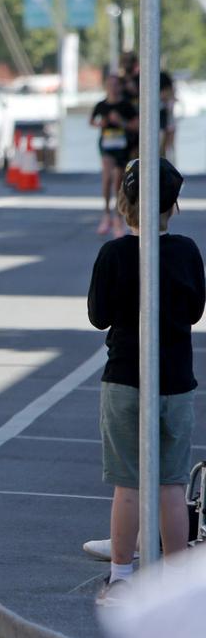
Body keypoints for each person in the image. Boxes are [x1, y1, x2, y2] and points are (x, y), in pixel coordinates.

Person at [87, 157, 205, 606]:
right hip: (175, 378)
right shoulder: (187, 251)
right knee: (171, 481)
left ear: (124, 203)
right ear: (173, 205)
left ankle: (121, 576)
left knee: (128, 482)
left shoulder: (113, 254)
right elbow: (195, 310)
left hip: (124, 377)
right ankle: (176, 584)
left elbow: (99, 317)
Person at [90, 75, 138, 238]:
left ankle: (118, 217)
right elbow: (91, 121)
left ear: (120, 87)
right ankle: (106, 214)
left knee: (118, 180)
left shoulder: (126, 105)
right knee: (106, 178)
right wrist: (100, 124)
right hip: (106, 146)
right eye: (109, 85)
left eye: (115, 85)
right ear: (105, 87)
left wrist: (121, 122)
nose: (112, 88)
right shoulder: (101, 105)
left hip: (122, 147)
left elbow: (136, 125)